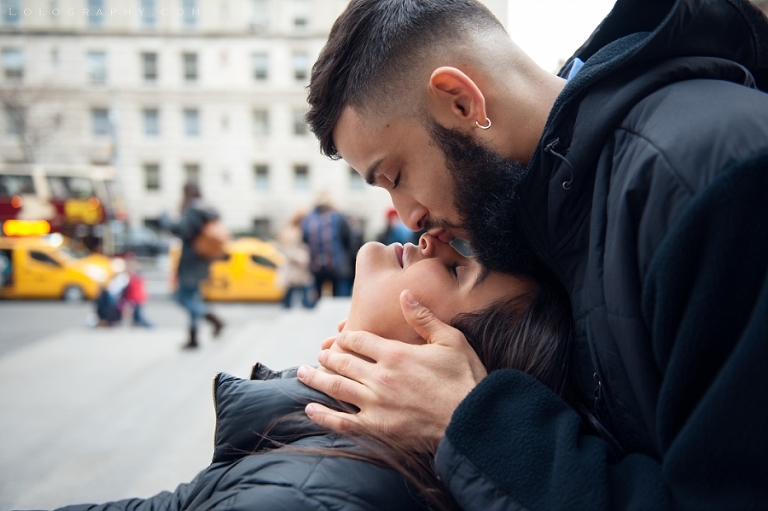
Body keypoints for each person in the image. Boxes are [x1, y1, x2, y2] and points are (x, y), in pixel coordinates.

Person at [297, 0, 768, 509]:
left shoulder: (703, 176)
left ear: (460, 101)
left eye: (395, 176)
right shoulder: (553, 212)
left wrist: (479, 424)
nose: (408, 216)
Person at [40, 235, 572, 511]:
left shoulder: (316, 495)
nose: (429, 237)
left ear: (437, 363)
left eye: (459, 268)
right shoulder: (328, 456)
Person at [160, 182, 225, 349]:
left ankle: (214, 320)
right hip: (201, 262)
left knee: (181, 297)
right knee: (193, 298)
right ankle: (193, 338)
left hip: (190, 264)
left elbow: (181, 229)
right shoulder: (205, 209)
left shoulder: (193, 210)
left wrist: (165, 218)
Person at [301, 192, 353, 298]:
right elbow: (347, 239)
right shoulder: (338, 217)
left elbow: (304, 239)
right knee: (338, 296)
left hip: (316, 264)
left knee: (317, 295)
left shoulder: (308, 219)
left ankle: (317, 312)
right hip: (336, 263)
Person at [277, 210, 316, 309]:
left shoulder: (304, 230)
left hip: (302, 270)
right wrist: (303, 258)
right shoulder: (291, 231)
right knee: (291, 294)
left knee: (305, 293)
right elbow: (289, 250)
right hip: (294, 268)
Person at [121, 254, 153, 328]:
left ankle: (151, 327)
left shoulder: (135, 278)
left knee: (138, 316)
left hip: (137, 298)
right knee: (136, 315)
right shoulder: (137, 277)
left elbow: (134, 290)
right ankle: (136, 328)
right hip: (137, 298)